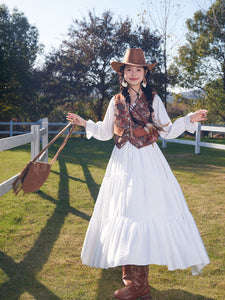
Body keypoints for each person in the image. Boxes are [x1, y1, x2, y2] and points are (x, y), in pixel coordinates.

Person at [66, 48, 210, 300]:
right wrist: (84, 123)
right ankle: (133, 282)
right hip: (122, 163)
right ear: (122, 74)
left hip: (147, 162)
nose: (133, 73)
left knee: (142, 212)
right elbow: (104, 131)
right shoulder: (115, 101)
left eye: (138, 69)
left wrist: (189, 118)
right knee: (124, 213)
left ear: (145, 74)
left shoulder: (153, 99)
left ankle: (139, 285)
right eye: (129, 69)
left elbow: (165, 130)